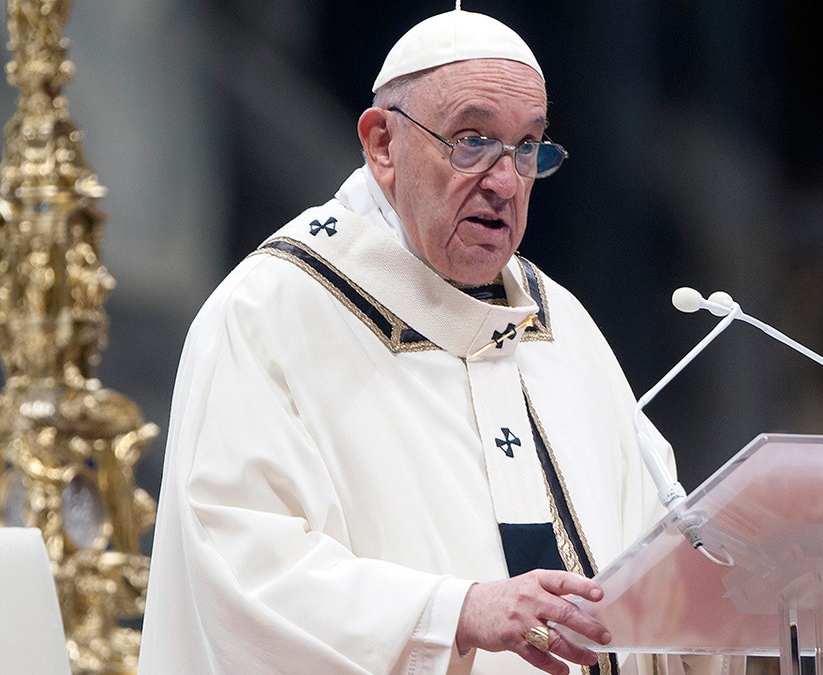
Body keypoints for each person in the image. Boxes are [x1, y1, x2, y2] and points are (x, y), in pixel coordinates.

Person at [141, 8, 739, 675]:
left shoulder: (563, 325)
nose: (506, 182)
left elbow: (656, 548)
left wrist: (745, 593)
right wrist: (454, 612)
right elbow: (237, 570)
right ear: (381, 144)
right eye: (472, 140)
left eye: (526, 147)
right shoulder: (268, 314)